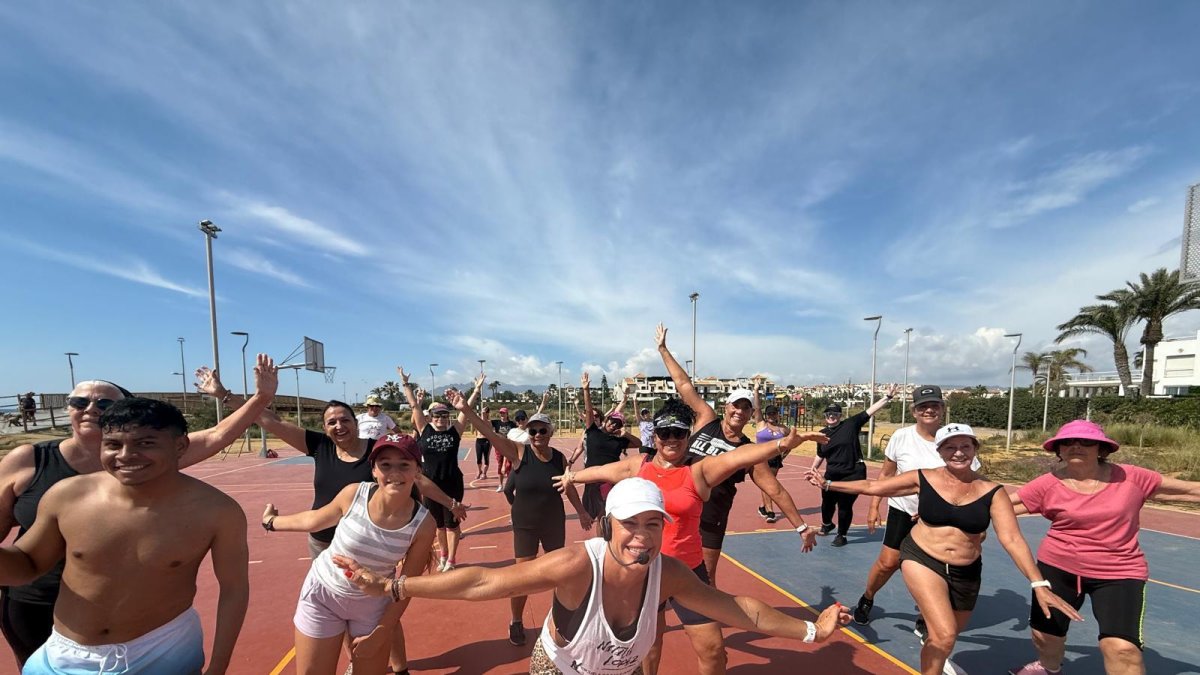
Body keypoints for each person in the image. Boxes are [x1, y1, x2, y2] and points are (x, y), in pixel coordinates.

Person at [333, 477, 852, 675]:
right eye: (631, 525)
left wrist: (812, 631)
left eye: (654, 525)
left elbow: (741, 609)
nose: (642, 538)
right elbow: (482, 582)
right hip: (559, 670)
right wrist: (394, 585)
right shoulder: (578, 564)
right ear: (608, 525)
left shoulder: (668, 573)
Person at [0, 357, 278, 669]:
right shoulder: (67, 494)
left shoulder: (216, 510)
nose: (126, 455)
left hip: (162, 649)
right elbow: (27, 563)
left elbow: (234, 589)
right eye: (113, 444)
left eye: (144, 443)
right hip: (64, 654)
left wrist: (218, 665)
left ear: (180, 447)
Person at [204, 370, 463, 674]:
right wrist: (225, 395)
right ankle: (353, 657)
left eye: (345, 419)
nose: (339, 425)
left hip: (374, 555)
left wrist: (450, 503)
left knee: (382, 614)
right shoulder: (322, 448)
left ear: (357, 422)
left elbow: (420, 484)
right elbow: (268, 421)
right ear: (325, 428)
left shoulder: (377, 454)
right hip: (325, 547)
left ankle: (395, 665)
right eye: (332, 421)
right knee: (334, 619)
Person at [554, 399, 826, 674]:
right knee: (649, 647)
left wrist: (781, 445)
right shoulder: (640, 465)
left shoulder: (700, 470)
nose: (671, 440)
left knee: (713, 649)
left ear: (688, 435)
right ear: (655, 435)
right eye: (664, 433)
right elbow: (601, 471)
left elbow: (740, 456)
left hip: (688, 572)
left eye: (679, 433)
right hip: (645, 571)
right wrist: (572, 477)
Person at [806, 424, 1081, 675]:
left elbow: (1012, 539)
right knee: (946, 634)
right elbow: (873, 485)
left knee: (943, 637)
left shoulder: (992, 491)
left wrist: (1039, 583)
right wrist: (829, 483)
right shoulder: (923, 478)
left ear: (975, 449)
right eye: (950, 446)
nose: (958, 452)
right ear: (939, 451)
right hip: (921, 558)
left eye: (965, 446)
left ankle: (935, 656)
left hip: (966, 571)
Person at [1007, 420, 1200, 675]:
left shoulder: (1132, 476)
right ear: (1059, 450)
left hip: (1119, 571)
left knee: (1122, 648)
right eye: (1067, 442)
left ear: (1101, 448)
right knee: (1046, 636)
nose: (1076, 446)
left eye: (1086, 441)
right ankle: (1048, 668)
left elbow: (1189, 491)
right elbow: (999, 506)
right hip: (1058, 568)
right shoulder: (1046, 484)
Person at [655, 324, 817, 586]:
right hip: (676, 507)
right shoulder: (707, 419)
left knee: (704, 581)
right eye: (736, 405)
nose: (739, 411)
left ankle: (705, 620)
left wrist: (801, 526)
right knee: (659, 576)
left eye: (746, 408)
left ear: (751, 413)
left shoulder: (748, 452)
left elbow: (774, 490)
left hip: (710, 518)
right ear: (726, 406)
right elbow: (684, 385)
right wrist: (663, 350)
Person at [262, 433, 435, 675]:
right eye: (385, 465)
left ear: (417, 470)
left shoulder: (423, 525)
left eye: (404, 465)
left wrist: (382, 632)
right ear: (374, 470)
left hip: (372, 607)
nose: (394, 472)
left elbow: (404, 588)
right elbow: (314, 520)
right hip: (323, 595)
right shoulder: (355, 494)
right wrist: (272, 521)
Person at [446, 388, 592, 648]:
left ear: (550, 432)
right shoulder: (518, 452)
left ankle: (561, 619)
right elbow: (490, 433)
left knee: (559, 573)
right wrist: (466, 410)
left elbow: (568, 487)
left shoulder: (558, 458)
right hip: (525, 523)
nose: (536, 435)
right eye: (532, 431)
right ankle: (516, 621)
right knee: (522, 576)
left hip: (553, 522)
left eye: (542, 431)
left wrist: (581, 512)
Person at [849, 385, 978, 629]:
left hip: (938, 518)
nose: (929, 410)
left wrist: (942, 507)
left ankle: (926, 615)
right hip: (902, 509)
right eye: (923, 406)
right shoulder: (901, 436)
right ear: (914, 411)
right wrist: (874, 506)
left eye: (934, 405)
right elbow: (886, 475)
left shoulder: (954, 442)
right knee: (888, 562)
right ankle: (868, 597)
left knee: (934, 567)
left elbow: (968, 482)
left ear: (942, 409)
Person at [399, 369, 483, 573]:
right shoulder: (424, 430)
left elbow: (467, 409)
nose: (441, 418)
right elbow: (414, 406)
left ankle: (452, 559)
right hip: (430, 486)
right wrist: (406, 385)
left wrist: (477, 389)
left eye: (445, 415)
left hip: (452, 483)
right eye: (437, 415)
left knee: (452, 524)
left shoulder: (455, 432)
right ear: (431, 417)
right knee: (438, 526)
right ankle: (443, 554)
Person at [809, 386, 898, 547]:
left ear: (840, 416)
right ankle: (828, 524)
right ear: (825, 417)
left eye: (835, 414)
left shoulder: (850, 424)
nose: (831, 417)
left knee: (844, 505)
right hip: (832, 473)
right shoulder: (821, 434)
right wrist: (812, 469)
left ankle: (842, 535)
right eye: (828, 414)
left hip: (853, 473)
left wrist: (887, 397)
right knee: (827, 504)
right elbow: (820, 454)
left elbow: (870, 411)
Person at [575, 372, 641, 519]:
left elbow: (639, 444)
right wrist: (586, 390)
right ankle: (604, 537)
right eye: (611, 421)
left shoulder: (619, 440)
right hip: (591, 479)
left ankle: (606, 538)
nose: (613, 424)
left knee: (604, 514)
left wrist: (626, 434)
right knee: (593, 515)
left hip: (610, 480)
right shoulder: (592, 431)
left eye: (617, 423)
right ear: (606, 420)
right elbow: (588, 411)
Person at [751, 387, 787, 525]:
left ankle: (763, 507)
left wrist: (784, 453)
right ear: (766, 415)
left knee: (767, 485)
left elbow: (791, 441)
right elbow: (757, 408)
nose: (771, 416)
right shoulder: (761, 424)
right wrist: (756, 391)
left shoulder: (783, 429)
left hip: (775, 460)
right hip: (761, 458)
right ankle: (770, 512)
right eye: (769, 414)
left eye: (774, 413)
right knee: (768, 484)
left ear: (778, 414)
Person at [493, 407, 518, 492]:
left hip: (509, 446)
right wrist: (484, 414)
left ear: (507, 414)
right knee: (500, 465)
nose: (502, 415)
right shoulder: (496, 422)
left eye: (503, 413)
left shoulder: (512, 424)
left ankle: (510, 485)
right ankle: (500, 485)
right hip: (499, 447)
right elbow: (485, 423)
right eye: (501, 413)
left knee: (509, 466)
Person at [475, 406, 493, 480]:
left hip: (486, 441)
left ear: (487, 413)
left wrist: (483, 412)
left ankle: (484, 473)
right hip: (478, 441)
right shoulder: (478, 421)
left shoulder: (488, 422)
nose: (483, 414)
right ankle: (479, 471)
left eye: (485, 412)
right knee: (478, 459)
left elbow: (484, 420)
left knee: (486, 458)